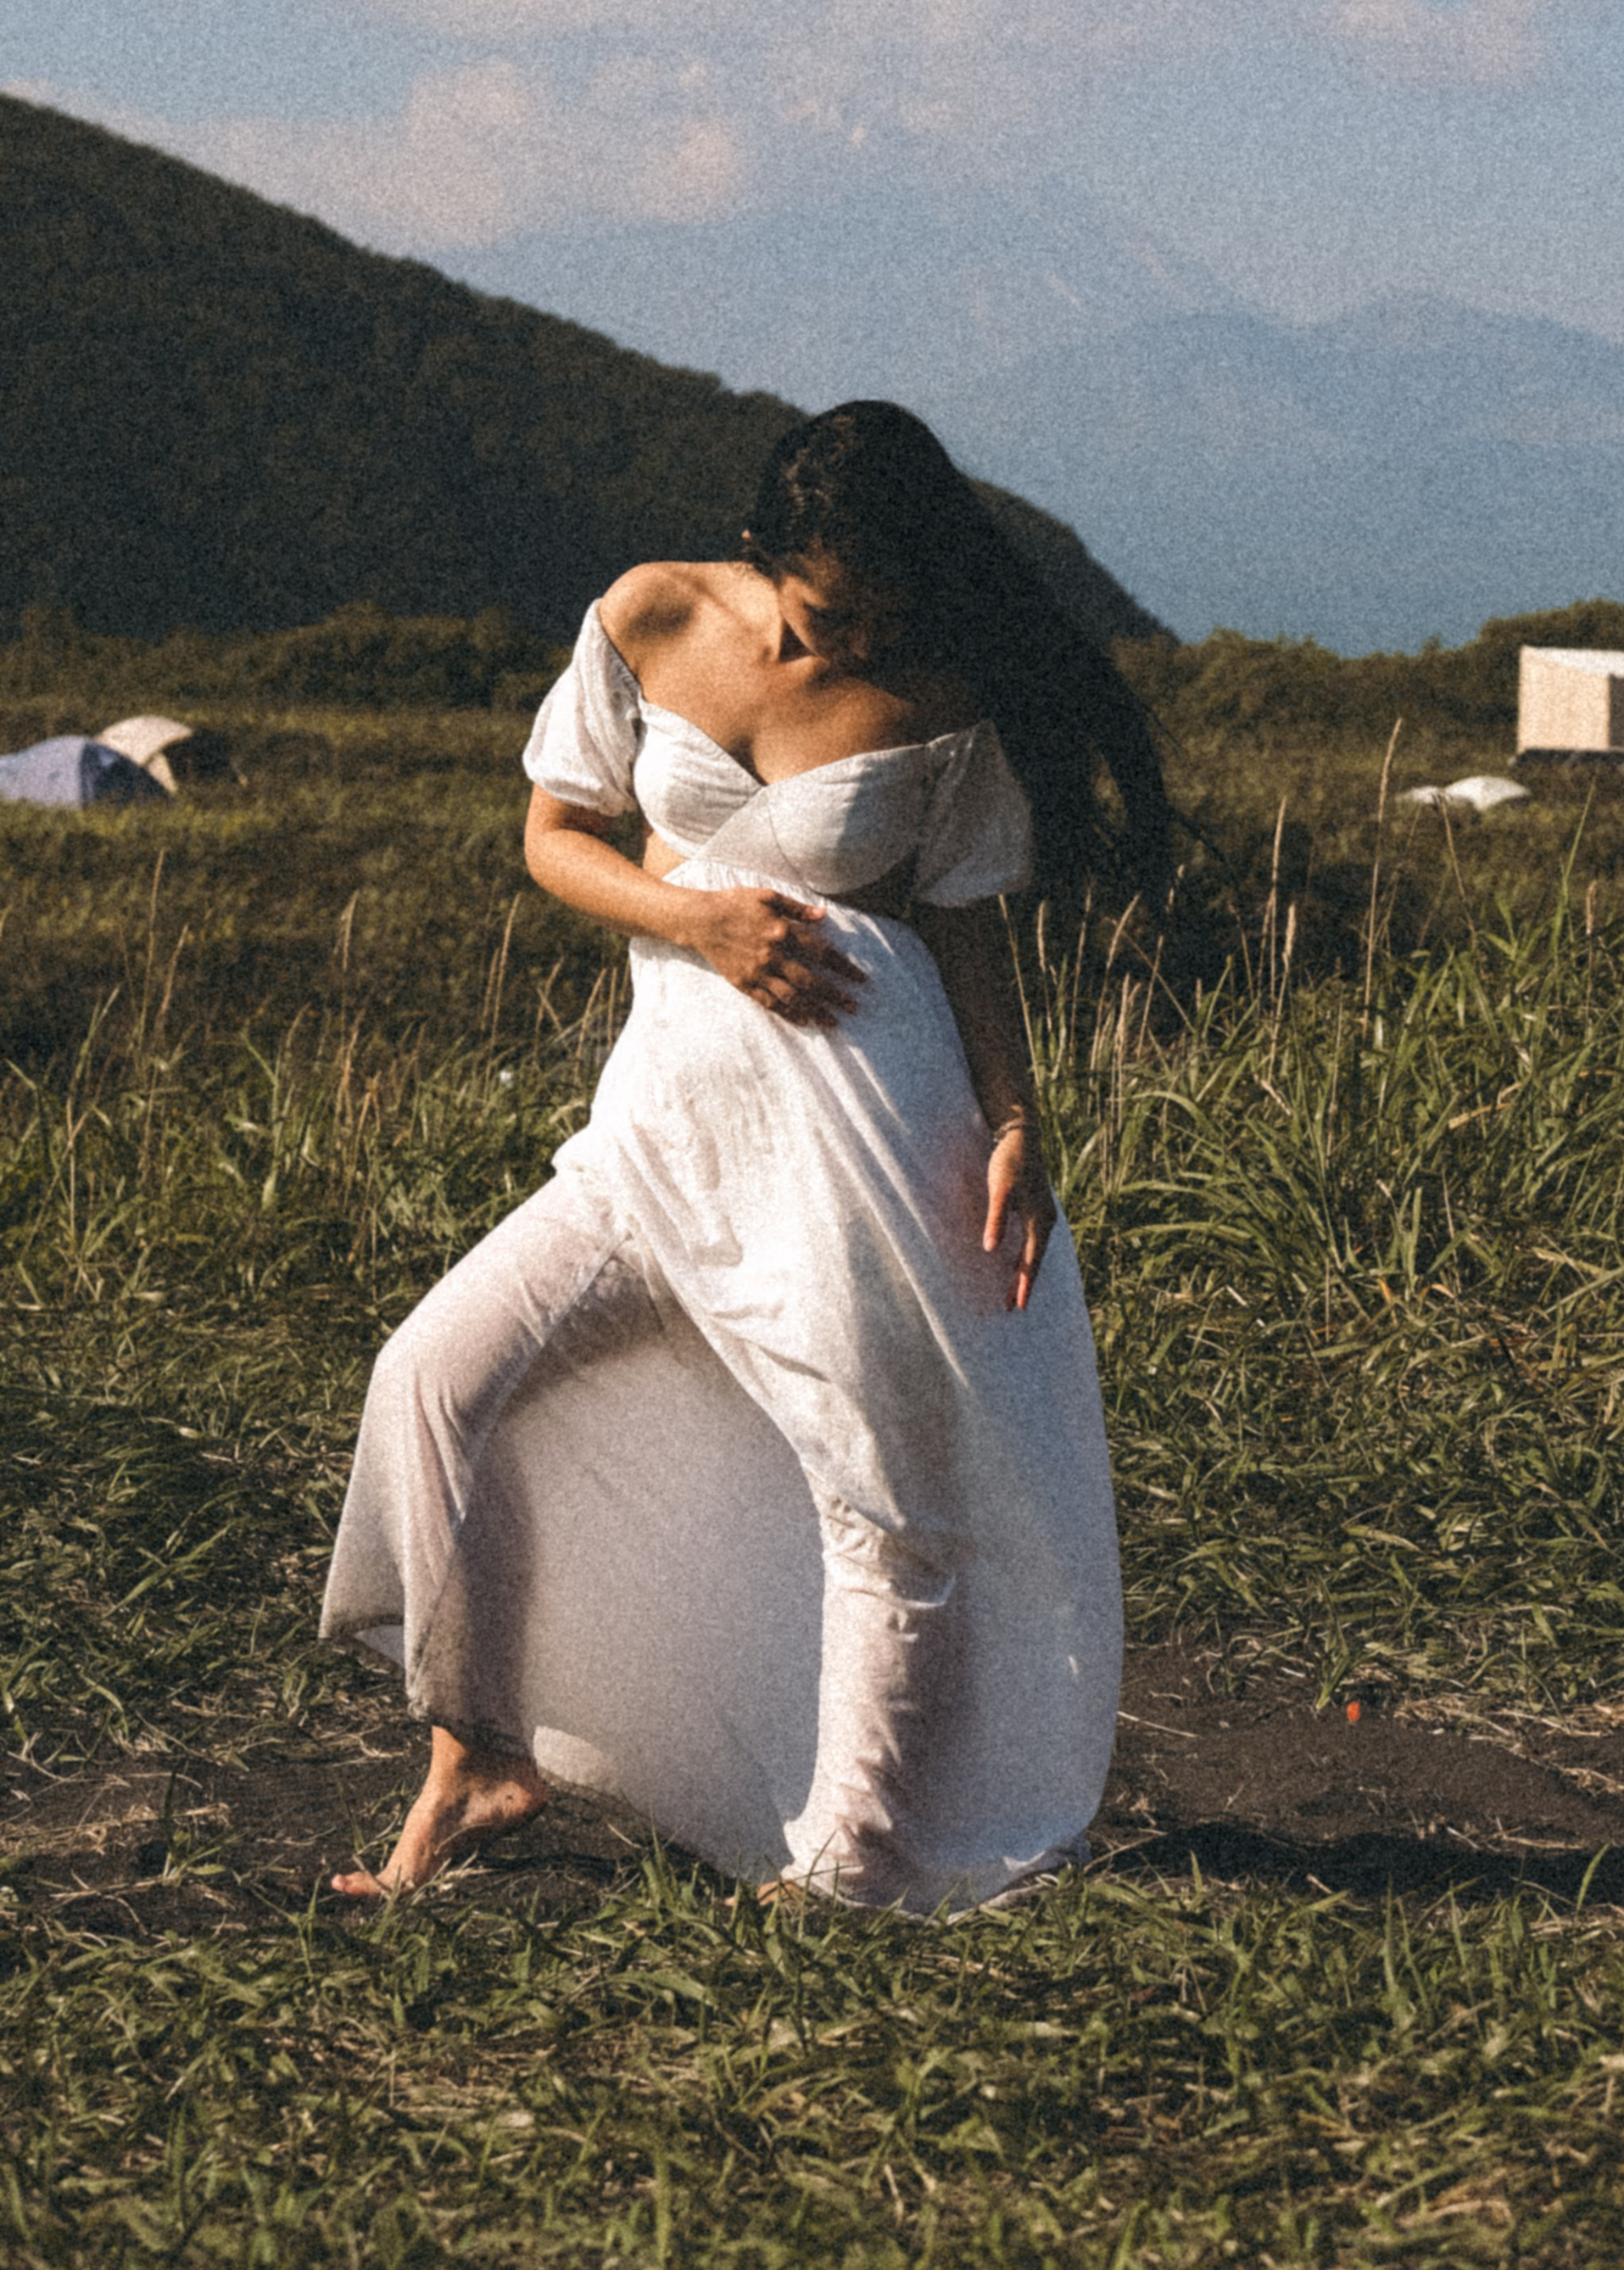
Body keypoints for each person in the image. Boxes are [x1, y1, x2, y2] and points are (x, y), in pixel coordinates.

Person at [321, 401, 1168, 1911]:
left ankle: (857, 1857)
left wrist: (1019, 1116)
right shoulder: (650, 613)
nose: (852, 641)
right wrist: (692, 918)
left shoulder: (941, 694)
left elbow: (963, 921)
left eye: (888, 613)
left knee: (882, 1491)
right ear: (766, 556)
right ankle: (477, 1746)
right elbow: (554, 835)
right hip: (661, 1142)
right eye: (829, 610)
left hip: (855, 1150)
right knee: (433, 1376)